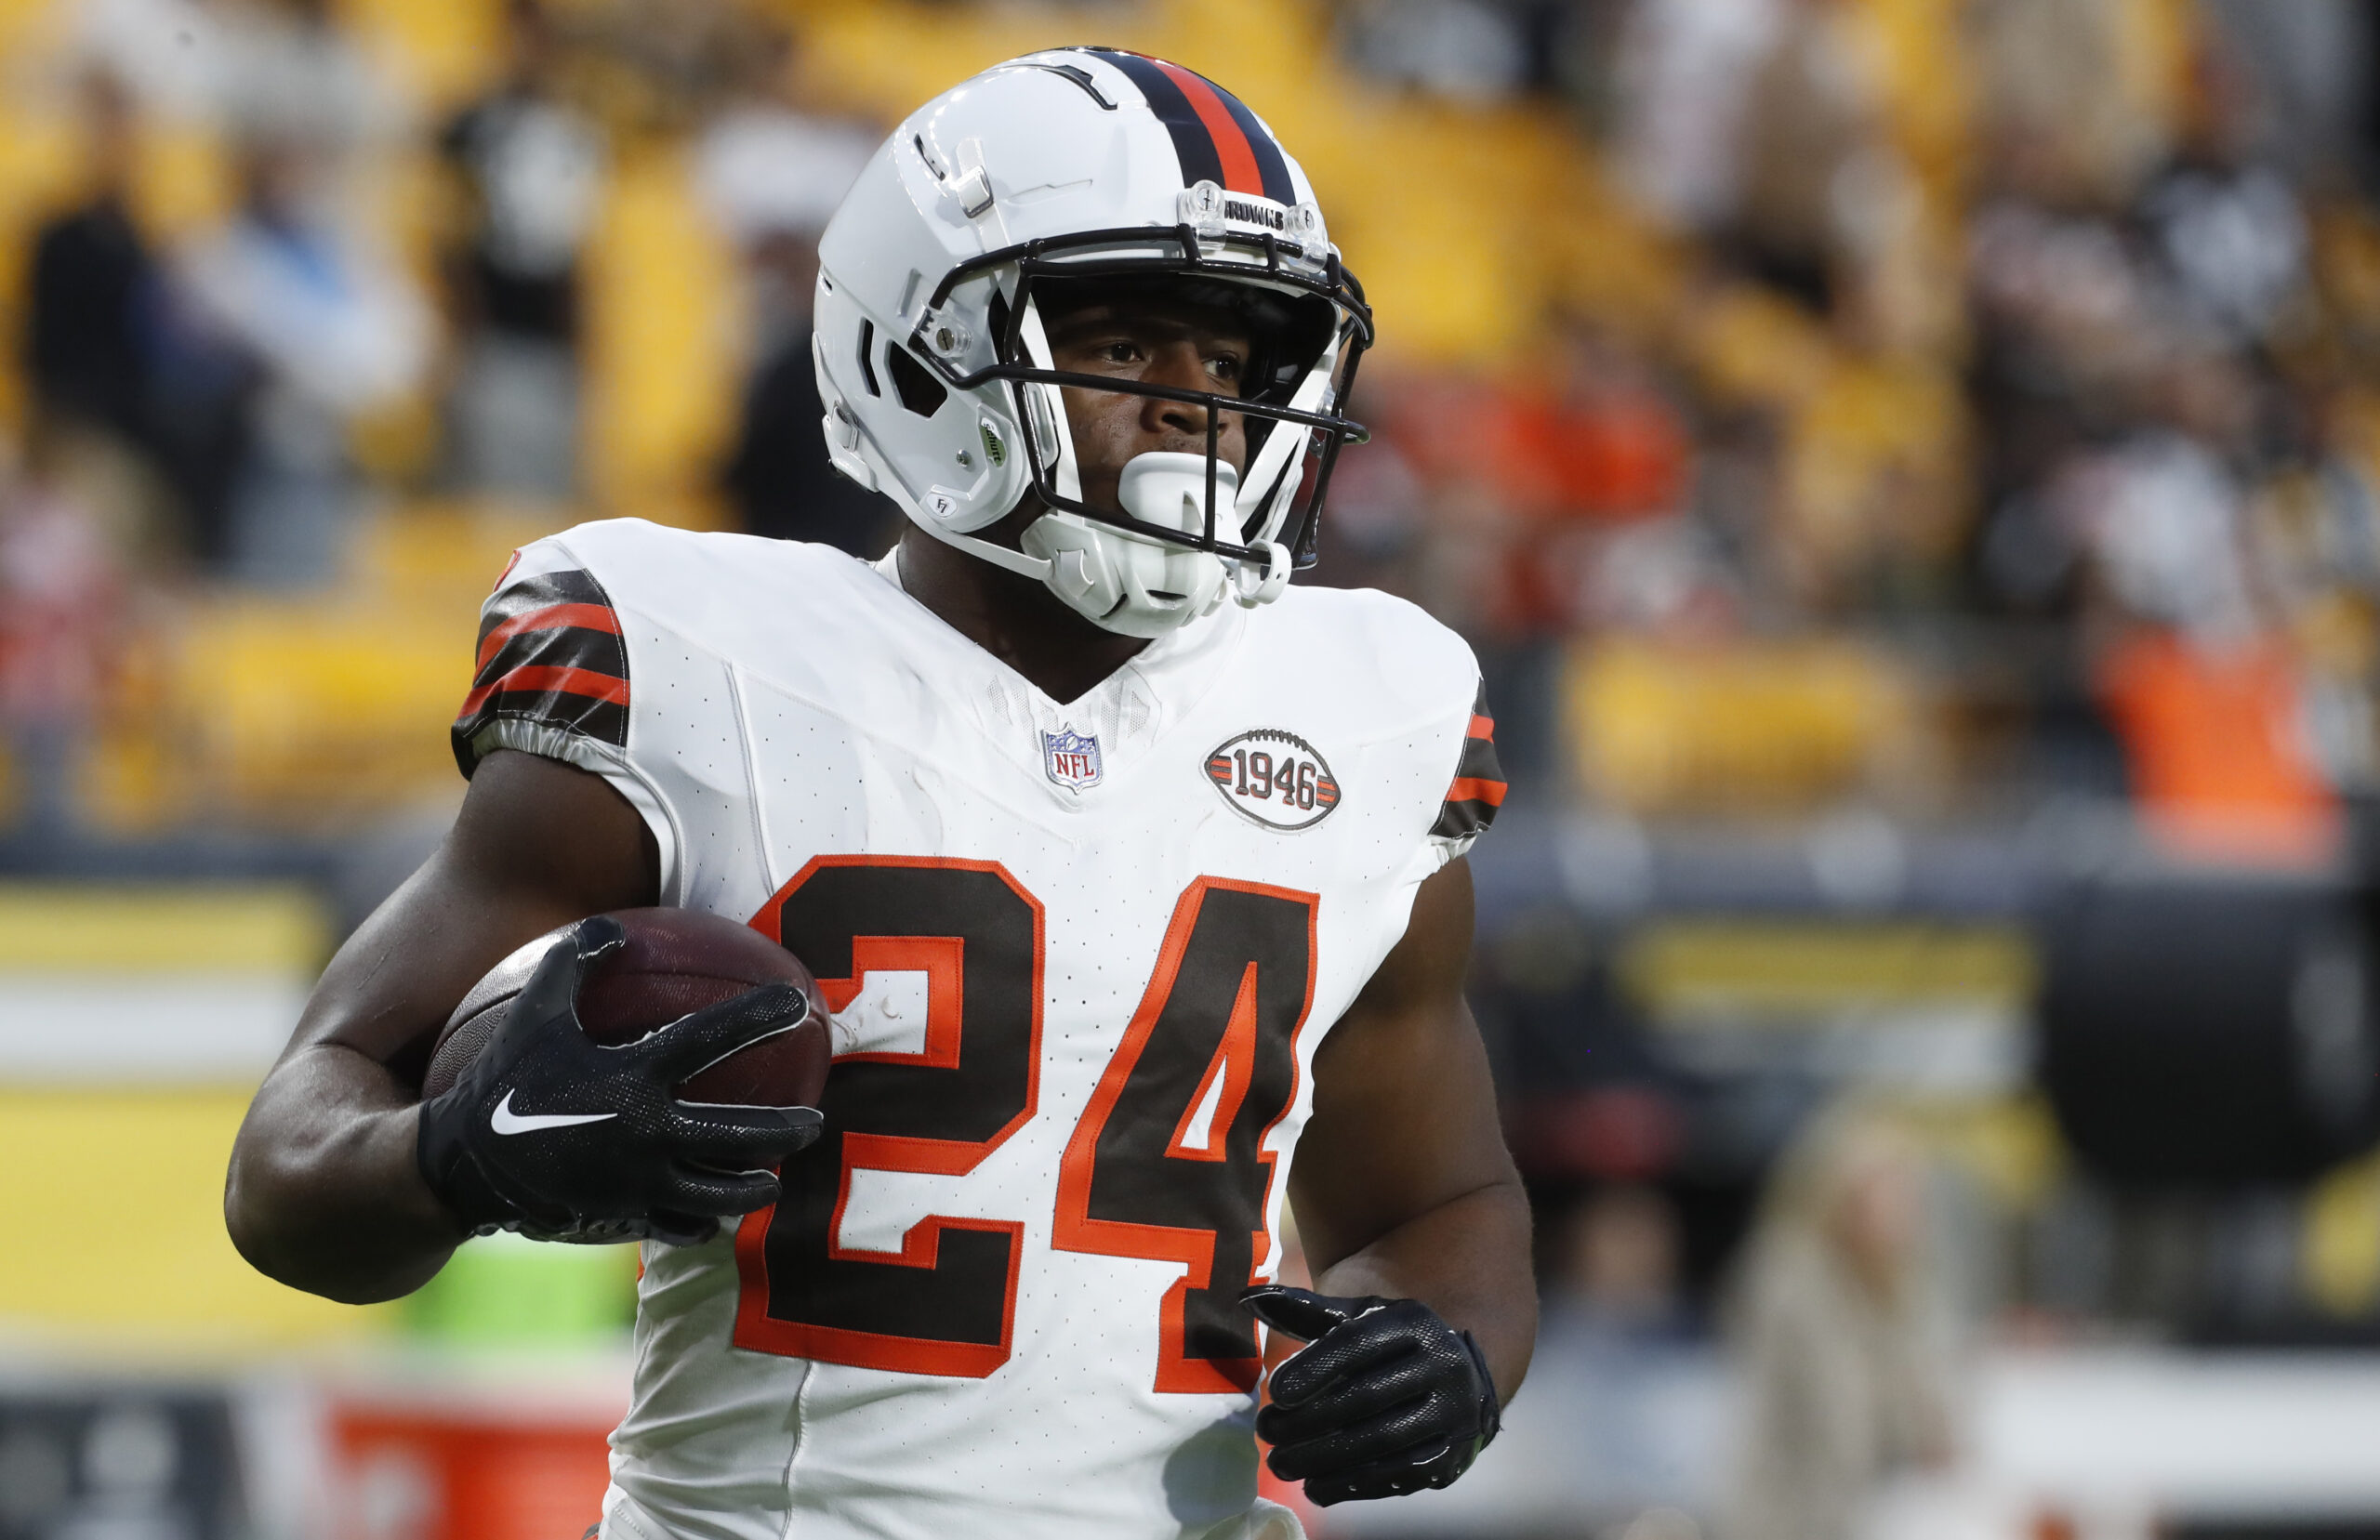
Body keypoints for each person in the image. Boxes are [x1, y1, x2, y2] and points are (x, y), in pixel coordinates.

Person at [225, 49, 1535, 1540]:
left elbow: (1441, 1209)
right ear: (923, 354)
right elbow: (287, 1168)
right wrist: (454, 1152)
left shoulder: (1361, 710)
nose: (1199, 410)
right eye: (1127, 347)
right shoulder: (699, 659)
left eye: (1232, 367)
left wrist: (1441, 1353)